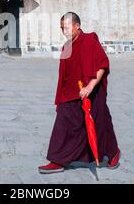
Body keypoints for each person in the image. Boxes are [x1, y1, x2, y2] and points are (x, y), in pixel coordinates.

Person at [38, 12, 120, 174]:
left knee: (100, 123)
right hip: (70, 92)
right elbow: (65, 75)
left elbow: (102, 65)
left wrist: (90, 86)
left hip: (93, 91)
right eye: (62, 28)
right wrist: (60, 96)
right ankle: (58, 160)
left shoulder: (89, 41)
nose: (64, 31)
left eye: (67, 27)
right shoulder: (67, 47)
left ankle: (113, 152)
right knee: (63, 122)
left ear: (77, 26)